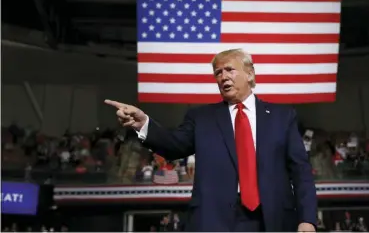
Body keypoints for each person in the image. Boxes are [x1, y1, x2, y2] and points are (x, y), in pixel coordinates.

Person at [105, 48, 317, 232]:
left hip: (273, 220)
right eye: (218, 72)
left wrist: (307, 219)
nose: (223, 76)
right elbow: (173, 146)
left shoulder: (283, 116)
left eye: (229, 70)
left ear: (250, 74)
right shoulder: (201, 118)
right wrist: (144, 124)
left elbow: (301, 171)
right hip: (215, 221)